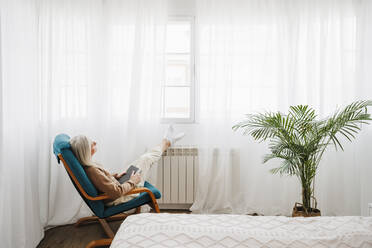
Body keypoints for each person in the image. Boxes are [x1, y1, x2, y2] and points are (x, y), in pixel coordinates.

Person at [70, 125, 184, 206]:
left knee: (143, 158)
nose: (95, 142)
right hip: (121, 196)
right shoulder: (92, 170)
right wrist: (133, 181)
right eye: (91, 144)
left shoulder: (89, 166)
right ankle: (167, 141)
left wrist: (116, 177)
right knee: (146, 159)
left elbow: (102, 183)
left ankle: (167, 141)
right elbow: (116, 193)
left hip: (120, 185)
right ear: (85, 151)